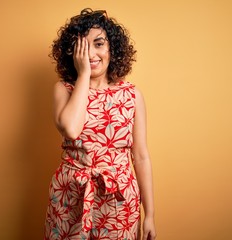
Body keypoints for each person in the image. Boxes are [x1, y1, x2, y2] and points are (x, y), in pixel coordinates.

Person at [44, 8, 156, 240]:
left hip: (118, 198)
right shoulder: (63, 90)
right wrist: (84, 74)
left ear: (112, 49)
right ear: (73, 52)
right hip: (71, 197)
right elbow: (71, 129)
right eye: (82, 47)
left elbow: (141, 156)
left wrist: (150, 214)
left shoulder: (132, 95)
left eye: (98, 44)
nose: (91, 54)